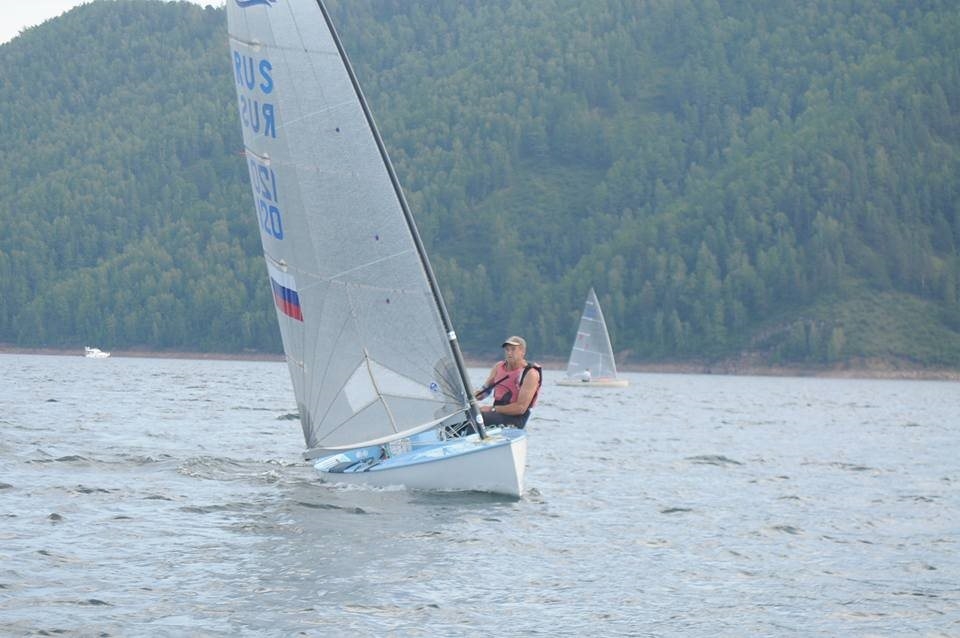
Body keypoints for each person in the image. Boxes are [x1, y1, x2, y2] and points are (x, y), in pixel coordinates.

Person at [473, 336, 542, 429]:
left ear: (523, 352)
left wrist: (492, 409)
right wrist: (473, 396)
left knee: (479, 417)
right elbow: (485, 391)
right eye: (507, 349)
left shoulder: (530, 374)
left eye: (513, 349)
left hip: (515, 419)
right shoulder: (498, 367)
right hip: (496, 413)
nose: (509, 353)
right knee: (468, 414)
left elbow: (521, 408)